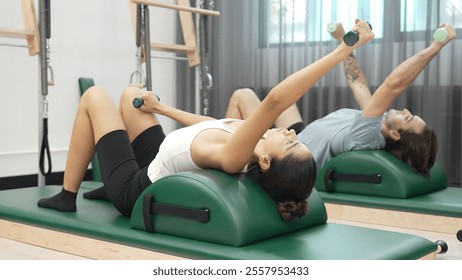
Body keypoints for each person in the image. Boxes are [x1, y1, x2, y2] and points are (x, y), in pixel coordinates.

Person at [37, 19, 374, 221]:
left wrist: (343, 51)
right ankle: (107, 184)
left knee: (94, 97)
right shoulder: (248, 145)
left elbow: (275, 100)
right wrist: (162, 109)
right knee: (131, 96)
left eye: (289, 140)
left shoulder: (235, 156)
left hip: (135, 189)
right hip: (160, 158)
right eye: (294, 136)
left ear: (268, 160)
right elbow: (210, 125)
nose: (288, 130)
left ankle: (68, 195)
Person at [225, 23, 456, 178]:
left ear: (396, 135)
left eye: (407, 117)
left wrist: (435, 47)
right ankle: (230, 147)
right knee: (277, 96)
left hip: (290, 154)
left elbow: (393, 85)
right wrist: (343, 43)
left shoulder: (366, 137)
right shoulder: (376, 120)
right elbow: (358, 82)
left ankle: (225, 166)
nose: (405, 109)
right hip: (299, 134)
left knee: (243, 96)